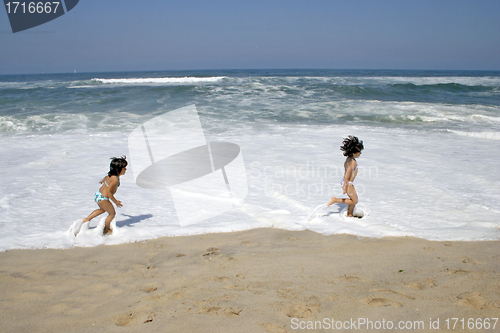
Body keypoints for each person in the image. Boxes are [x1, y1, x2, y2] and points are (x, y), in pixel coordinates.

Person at [78, 156, 127, 235]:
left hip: (98, 195)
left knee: (102, 210)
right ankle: (106, 229)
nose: (125, 170)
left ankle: (87, 219)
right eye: (124, 168)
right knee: (112, 214)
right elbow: (109, 192)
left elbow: (106, 177)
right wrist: (116, 202)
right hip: (104, 198)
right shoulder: (115, 179)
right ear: (119, 169)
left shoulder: (111, 175)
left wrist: (103, 180)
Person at [327, 136, 364, 217]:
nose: (360, 153)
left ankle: (350, 214)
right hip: (348, 182)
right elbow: (348, 173)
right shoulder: (353, 162)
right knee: (354, 201)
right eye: (359, 152)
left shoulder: (349, 158)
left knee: (353, 200)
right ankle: (335, 200)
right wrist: (346, 186)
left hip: (347, 181)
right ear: (354, 153)